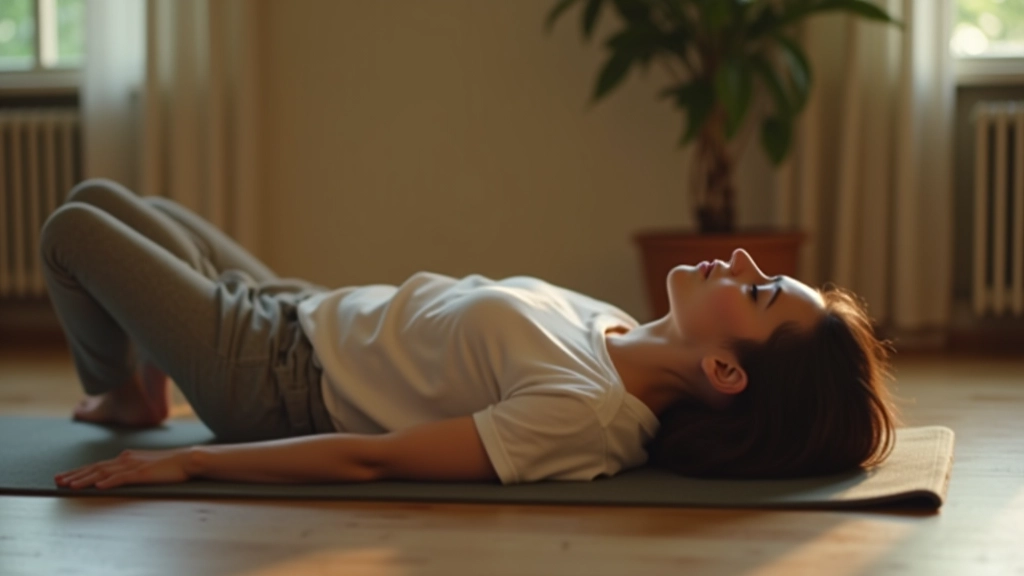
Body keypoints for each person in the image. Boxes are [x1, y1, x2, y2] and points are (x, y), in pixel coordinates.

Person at [45, 179, 898, 491]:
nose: (741, 257)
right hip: (307, 309)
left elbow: (376, 460)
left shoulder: (584, 415)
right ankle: (144, 372)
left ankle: (127, 392)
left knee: (75, 228)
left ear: (724, 367)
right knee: (131, 207)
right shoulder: (623, 331)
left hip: (271, 380)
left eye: (757, 291)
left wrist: (188, 464)